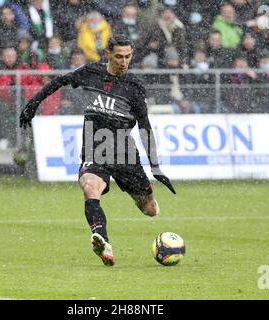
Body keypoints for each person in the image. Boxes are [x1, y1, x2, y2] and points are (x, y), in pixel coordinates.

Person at [19, 35, 176, 266]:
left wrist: (155, 166)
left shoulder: (134, 87)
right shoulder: (91, 73)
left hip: (124, 154)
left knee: (149, 210)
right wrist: (33, 103)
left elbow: (144, 125)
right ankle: (103, 241)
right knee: (90, 187)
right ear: (108, 54)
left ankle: (142, 201)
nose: (124, 62)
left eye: (128, 57)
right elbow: (60, 81)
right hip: (95, 150)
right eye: (119, 56)